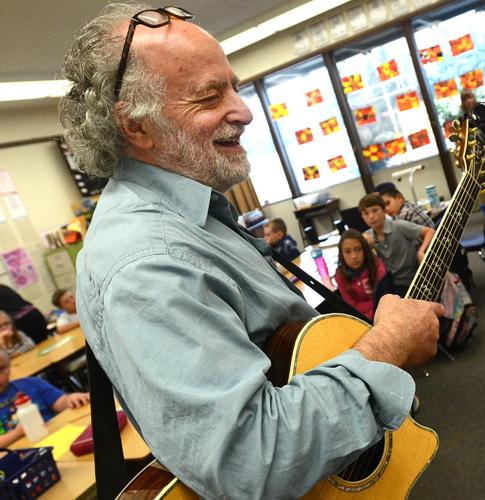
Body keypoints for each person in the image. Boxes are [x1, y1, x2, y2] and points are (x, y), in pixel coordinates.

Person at [59, 5, 442, 498]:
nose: (244, 111)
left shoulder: (192, 214)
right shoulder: (149, 262)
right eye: (209, 96)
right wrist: (387, 347)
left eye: (234, 87)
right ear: (136, 126)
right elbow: (252, 459)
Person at [0, 350, 89, 448]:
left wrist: (70, 399)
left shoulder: (31, 383)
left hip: (55, 436)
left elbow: (59, 402)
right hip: (19, 451)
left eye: (1, 369)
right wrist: (17, 433)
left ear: (9, 367)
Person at [359, 193, 434, 297]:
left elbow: (430, 232)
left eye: (375, 210)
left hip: (417, 278)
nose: (371, 216)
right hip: (394, 285)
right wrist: (363, 241)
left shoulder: (398, 225)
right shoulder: (368, 236)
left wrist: (421, 251)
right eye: (366, 213)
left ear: (384, 210)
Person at [334, 229, 390, 321]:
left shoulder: (377, 266)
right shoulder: (340, 275)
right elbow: (351, 306)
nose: (354, 256)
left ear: (365, 250)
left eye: (358, 250)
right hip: (360, 319)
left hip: (384, 315)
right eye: (347, 252)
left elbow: (384, 301)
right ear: (341, 254)